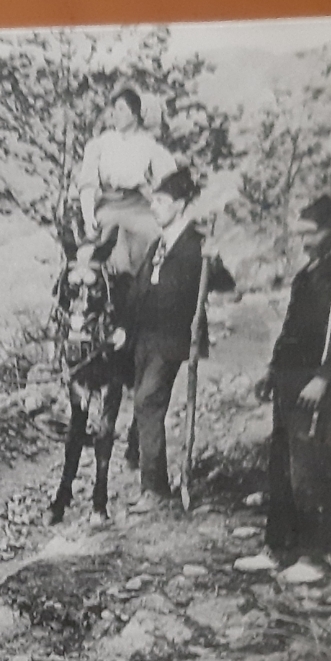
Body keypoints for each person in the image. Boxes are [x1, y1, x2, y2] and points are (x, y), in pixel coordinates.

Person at [234, 196, 331, 585]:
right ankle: (278, 548)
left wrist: (325, 378)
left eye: (311, 234)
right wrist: (270, 371)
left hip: (322, 386)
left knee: (314, 469)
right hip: (289, 382)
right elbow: (291, 331)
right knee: (282, 467)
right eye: (301, 235)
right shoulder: (307, 274)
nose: (305, 242)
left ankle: (316, 557)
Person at [126, 167, 207, 512]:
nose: (154, 207)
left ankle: (155, 490)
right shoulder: (158, 243)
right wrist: (124, 326)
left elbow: (222, 284)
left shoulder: (196, 245)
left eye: (161, 201)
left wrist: (213, 262)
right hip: (145, 337)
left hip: (173, 339)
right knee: (142, 404)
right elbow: (139, 290)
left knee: (147, 401)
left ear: (181, 204)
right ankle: (152, 481)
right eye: (153, 201)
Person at [78, 87, 178, 277]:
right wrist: (88, 215)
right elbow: (87, 184)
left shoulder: (149, 146)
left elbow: (167, 186)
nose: (114, 114)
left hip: (141, 208)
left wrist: (148, 191)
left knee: (153, 237)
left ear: (134, 114)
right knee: (111, 241)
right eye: (113, 109)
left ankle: (148, 289)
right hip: (109, 207)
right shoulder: (101, 144)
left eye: (121, 109)